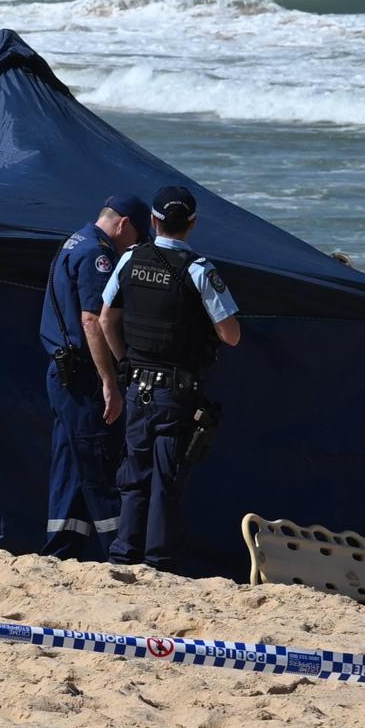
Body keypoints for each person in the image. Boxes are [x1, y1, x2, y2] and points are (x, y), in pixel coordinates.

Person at [97, 185, 241, 571]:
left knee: (134, 473)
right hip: (177, 392)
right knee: (167, 479)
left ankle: (125, 554)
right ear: (192, 224)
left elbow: (106, 318)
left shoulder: (129, 260)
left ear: (153, 221)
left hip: (137, 384)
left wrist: (125, 359)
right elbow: (232, 335)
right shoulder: (198, 270)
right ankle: (159, 561)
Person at [39, 194, 153, 559]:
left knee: (70, 463)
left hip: (61, 373)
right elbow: (92, 320)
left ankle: (61, 547)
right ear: (123, 225)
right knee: (100, 460)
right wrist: (110, 381)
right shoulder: (97, 255)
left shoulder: (73, 241)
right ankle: (121, 552)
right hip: (82, 376)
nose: (132, 249)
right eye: (134, 240)